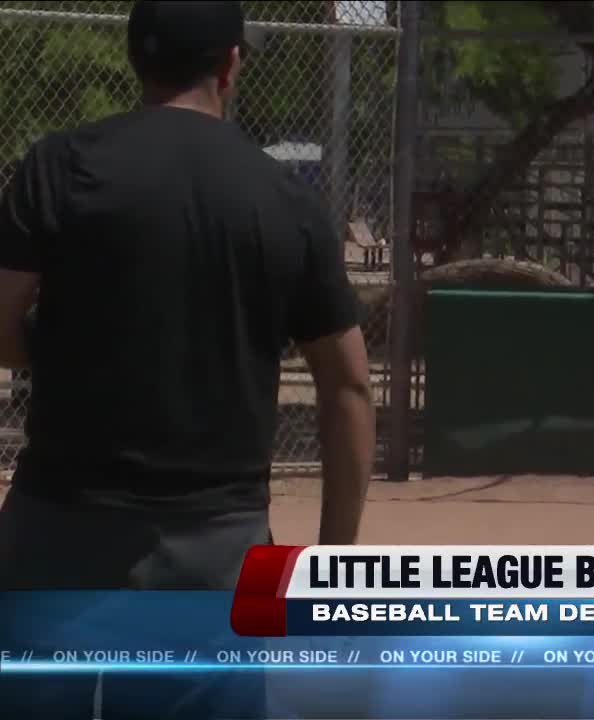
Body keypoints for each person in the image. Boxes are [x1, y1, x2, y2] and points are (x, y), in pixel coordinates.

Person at [0, 1, 374, 716]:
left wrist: (61, 356)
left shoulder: (61, 165)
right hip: (216, 548)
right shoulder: (282, 199)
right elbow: (350, 385)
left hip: (59, 526)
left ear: (136, 59)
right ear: (230, 66)